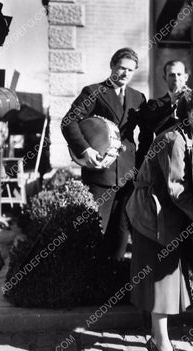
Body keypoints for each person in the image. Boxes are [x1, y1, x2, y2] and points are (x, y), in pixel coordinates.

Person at [126, 87, 193, 351]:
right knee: (161, 283)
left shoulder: (191, 137)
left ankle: (159, 341)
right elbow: (176, 189)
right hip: (154, 217)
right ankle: (163, 347)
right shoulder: (173, 140)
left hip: (169, 217)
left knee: (167, 281)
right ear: (186, 113)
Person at [61, 47, 147, 260]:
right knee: (96, 230)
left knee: (121, 233)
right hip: (100, 172)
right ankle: (92, 284)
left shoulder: (138, 97)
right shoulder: (93, 92)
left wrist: (142, 164)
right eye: (121, 68)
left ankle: (113, 281)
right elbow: (68, 121)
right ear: (112, 66)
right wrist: (85, 149)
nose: (125, 73)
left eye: (130, 70)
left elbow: (147, 132)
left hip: (128, 175)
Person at [135, 60, 190, 168]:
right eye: (171, 75)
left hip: (188, 154)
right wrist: (173, 102)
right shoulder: (154, 104)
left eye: (179, 74)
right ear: (165, 78)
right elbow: (153, 128)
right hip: (164, 157)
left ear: (186, 77)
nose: (176, 78)